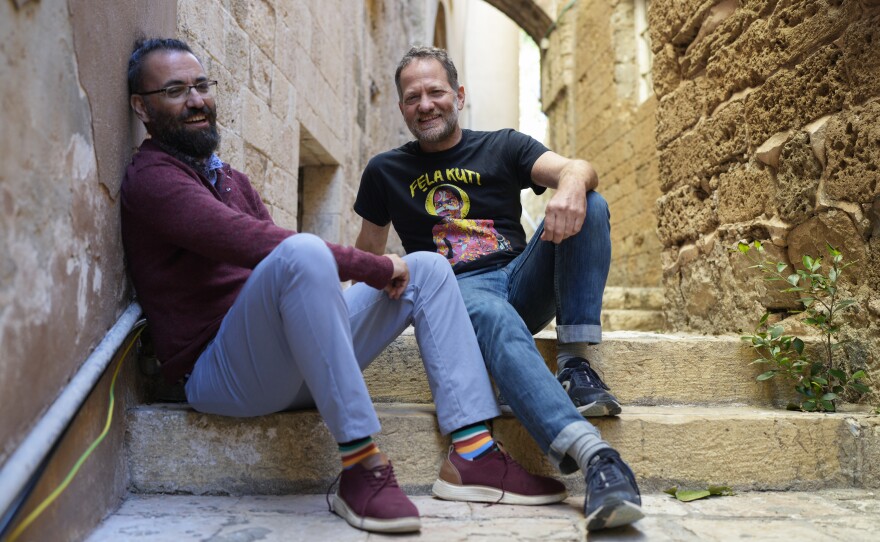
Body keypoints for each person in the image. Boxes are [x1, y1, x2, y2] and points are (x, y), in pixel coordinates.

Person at [120, 38, 568, 535]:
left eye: (201, 86)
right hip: (221, 374)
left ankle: (473, 455)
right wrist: (373, 266)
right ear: (142, 107)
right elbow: (252, 244)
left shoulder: (230, 179)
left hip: (291, 368)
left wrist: (376, 273)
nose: (196, 100)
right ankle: (362, 467)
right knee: (301, 252)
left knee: (428, 267)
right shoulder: (152, 179)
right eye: (175, 90)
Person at [354, 46, 643, 531]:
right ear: (401, 107)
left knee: (590, 203)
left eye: (435, 92)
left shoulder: (503, 145)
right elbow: (366, 257)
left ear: (459, 95)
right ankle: (597, 459)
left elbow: (577, 168)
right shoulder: (385, 171)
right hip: (458, 294)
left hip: (520, 279)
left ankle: (574, 363)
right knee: (490, 314)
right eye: (412, 97)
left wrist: (572, 187)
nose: (425, 105)